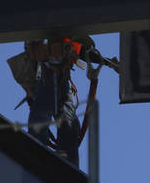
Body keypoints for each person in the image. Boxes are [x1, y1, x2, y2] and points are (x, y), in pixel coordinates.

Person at [7, 36, 118, 166]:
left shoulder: (66, 37)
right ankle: (36, 156)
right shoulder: (42, 36)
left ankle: (67, 166)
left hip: (62, 83)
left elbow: (83, 52)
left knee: (68, 126)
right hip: (46, 77)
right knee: (43, 116)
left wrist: (109, 63)